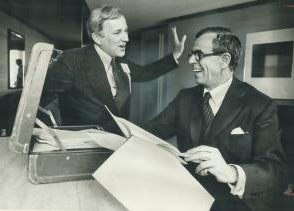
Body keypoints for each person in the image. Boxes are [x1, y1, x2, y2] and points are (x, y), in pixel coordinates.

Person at [145, 27, 287, 211]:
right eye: (191, 54)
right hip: (187, 197)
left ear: (224, 60)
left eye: (198, 55)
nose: (190, 61)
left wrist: (231, 172)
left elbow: (277, 173)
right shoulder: (185, 98)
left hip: (234, 204)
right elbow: (151, 131)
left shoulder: (260, 105)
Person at [40, 5, 186, 132]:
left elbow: (146, 73)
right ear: (97, 38)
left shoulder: (121, 62)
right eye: (117, 33)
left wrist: (175, 55)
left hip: (117, 143)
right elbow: (36, 102)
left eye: (125, 31)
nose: (126, 38)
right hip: (84, 151)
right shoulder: (71, 60)